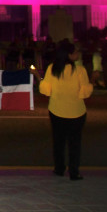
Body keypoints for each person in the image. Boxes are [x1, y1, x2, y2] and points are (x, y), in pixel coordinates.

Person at [37, 41, 93, 180]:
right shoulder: (80, 71)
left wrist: (38, 77)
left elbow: (45, 90)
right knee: (75, 143)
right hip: (76, 112)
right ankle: (74, 171)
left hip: (56, 110)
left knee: (58, 142)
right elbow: (84, 93)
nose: (78, 54)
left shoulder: (52, 69)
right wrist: (93, 81)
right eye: (76, 52)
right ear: (70, 55)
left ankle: (59, 168)